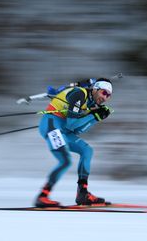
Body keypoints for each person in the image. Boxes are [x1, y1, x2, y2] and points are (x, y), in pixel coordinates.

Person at [35, 78, 113, 207]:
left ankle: (82, 193)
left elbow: (77, 130)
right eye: (104, 93)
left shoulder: (89, 103)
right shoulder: (79, 94)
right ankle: (42, 196)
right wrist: (93, 116)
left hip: (63, 129)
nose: (105, 98)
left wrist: (95, 118)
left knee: (87, 151)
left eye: (109, 95)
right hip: (51, 125)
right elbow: (72, 124)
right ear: (95, 89)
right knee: (65, 161)